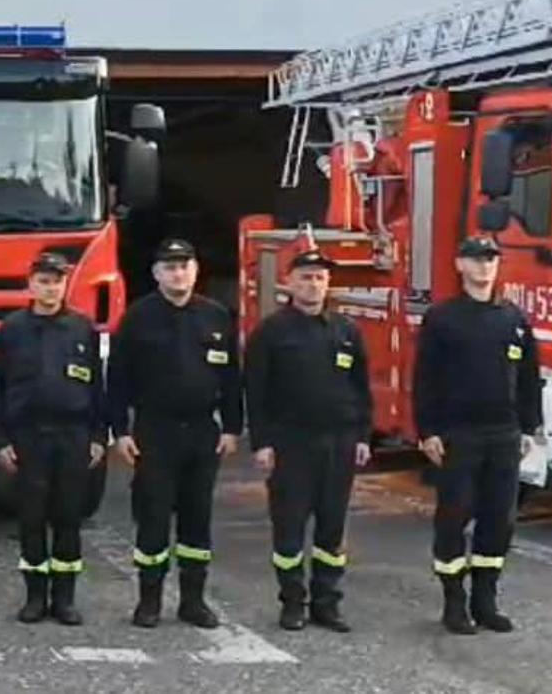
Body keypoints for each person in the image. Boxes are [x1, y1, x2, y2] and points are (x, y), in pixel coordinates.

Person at [108, 239, 242, 630]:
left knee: (197, 520)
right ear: (156, 274)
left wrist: (232, 427)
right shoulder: (138, 317)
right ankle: (149, 602)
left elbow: (232, 378)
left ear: (195, 271)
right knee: (152, 517)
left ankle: (193, 602)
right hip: (155, 430)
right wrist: (120, 430)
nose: (177, 273)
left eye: (184, 266)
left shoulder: (216, 316)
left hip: (202, 431)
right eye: (169, 267)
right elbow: (116, 379)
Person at [414, 235, 541, 635]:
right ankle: (454, 603)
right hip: (458, 434)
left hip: (503, 435)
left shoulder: (514, 320)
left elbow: (528, 379)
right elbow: (426, 378)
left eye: (491, 259)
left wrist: (528, 427)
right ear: (460, 265)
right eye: (477, 259)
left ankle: (485, 601)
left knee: (498, 521)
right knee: (454, 517)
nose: (485, 266)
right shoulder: (443, 318)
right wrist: (427, 430)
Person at [245, 249, 373, 633]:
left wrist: (363, 436)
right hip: (291, 444)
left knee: (332, 529)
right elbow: (256, 390)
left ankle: (326, 603)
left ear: (328, 283)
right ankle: (292, 603)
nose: (313, 284)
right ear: (290, 282)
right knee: (289, 528)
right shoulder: (271, 332)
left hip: (340, 443)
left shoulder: (346, 331)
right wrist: (262, 442)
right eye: (305, 277)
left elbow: (361, 389)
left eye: (319, 277)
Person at [0, 253, 105, 626]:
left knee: (68, 517)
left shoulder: (82, 328)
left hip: (73, 435)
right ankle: (35, 597)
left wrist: (98, 435)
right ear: (31, 285)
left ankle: (66, 599)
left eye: (56, 281)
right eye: (43, 280)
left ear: (65, 284)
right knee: (32, 519)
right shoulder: (12, 329)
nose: (50, 288)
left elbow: (97, 387)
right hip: (28, 436)